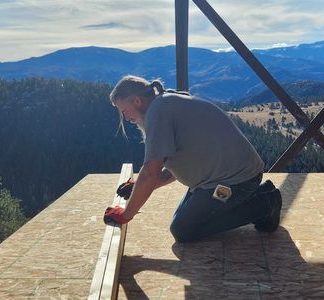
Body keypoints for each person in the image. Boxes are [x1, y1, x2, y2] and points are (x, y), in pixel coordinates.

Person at [103, 75, 282, 243]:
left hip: (234, 182)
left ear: (137, 101)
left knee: (184, 229)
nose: (126, 118)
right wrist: (137, 188)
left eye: (125, 111)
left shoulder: (158, 113)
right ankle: (260, 192)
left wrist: (126, 215)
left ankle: (266, 204)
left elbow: (150, 172)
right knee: (187, 219)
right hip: (226, 177)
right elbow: (178, 166)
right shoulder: (165, 103)